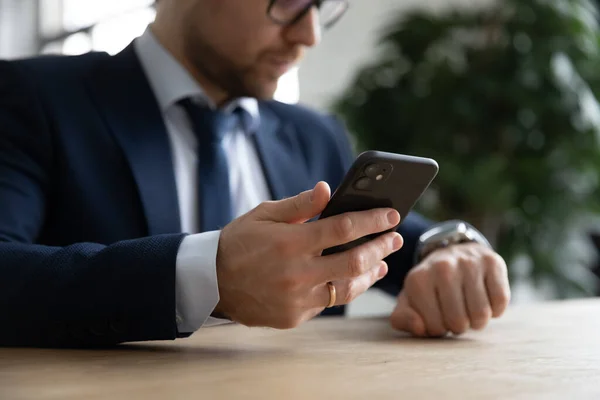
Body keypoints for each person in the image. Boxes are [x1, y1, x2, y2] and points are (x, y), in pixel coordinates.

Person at [0, 0, 510, 348]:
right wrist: (204, 276)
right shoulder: (34, 98)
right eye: (287, 1)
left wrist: (451, 248)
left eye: (322, 6)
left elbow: (389, 232)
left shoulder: (314, 134)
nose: (308, 33)